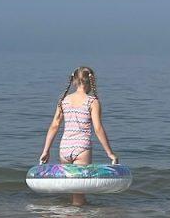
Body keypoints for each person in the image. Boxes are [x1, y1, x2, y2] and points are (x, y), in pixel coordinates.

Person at [39, 66, 118, 205]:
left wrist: (46, 151)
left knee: (73, 190)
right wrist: (110, 153)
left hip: (64, 148)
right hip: (81, 148)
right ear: (91, 81)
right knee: (79, 196)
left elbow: (54, 125)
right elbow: (98, 128)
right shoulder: (92, 101)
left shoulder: (64, 100)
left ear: (75, 81)